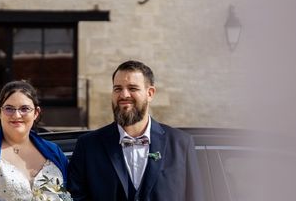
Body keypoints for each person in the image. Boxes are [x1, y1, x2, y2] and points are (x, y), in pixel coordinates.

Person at [67, 60, 204, 201]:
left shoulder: (181, 143)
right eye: (118, 89)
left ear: (150, 93)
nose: (124, 95)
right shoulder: (88, 145)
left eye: (132, 88)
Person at [0, 80, 70, 200]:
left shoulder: (54, 151)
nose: (16, 115)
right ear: (0, 112)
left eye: (24, 109)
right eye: (9, 108)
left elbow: (74, 193)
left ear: (36, 113)